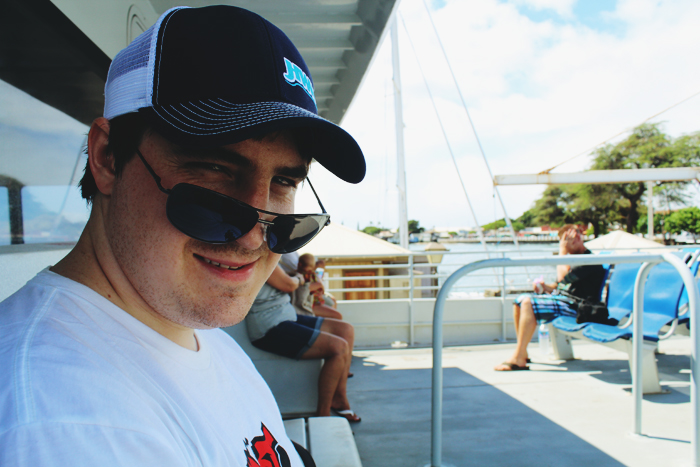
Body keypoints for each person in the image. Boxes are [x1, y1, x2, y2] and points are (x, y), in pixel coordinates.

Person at [0, 5, 365, 466]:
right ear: (108, 157)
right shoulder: (69, 424)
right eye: (214, 169)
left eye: (285, 182)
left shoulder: (190, 330)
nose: (255, 235)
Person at [246, 264, 359, 422]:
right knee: (338, 348)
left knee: (345, 329)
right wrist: (299, 278)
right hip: (269, 325)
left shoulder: (268, 252)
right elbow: (288, 284)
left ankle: (339, 397)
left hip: (286, 315)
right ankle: (323, 417)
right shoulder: (259, 253)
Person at [495, 225, 606, 371]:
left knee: (528, 302)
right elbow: (562, 284)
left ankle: (519, 358)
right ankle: (522, 351)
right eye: (569, 238)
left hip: (580, 307)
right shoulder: (573, 260)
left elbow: (562, 277)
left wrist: (562, 251)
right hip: (566, 300)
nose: (575, 237)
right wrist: (545, 287)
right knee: (520, 300)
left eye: (576, 234)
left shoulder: (588, 260)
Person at [295, 253, 342, 319]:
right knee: (337, 315)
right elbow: (320, 286)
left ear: (299, 264)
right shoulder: (311, 274)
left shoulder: (297, 275)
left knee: (332, 304)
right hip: (313, 302)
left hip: (312, 301)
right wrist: (321, 289)